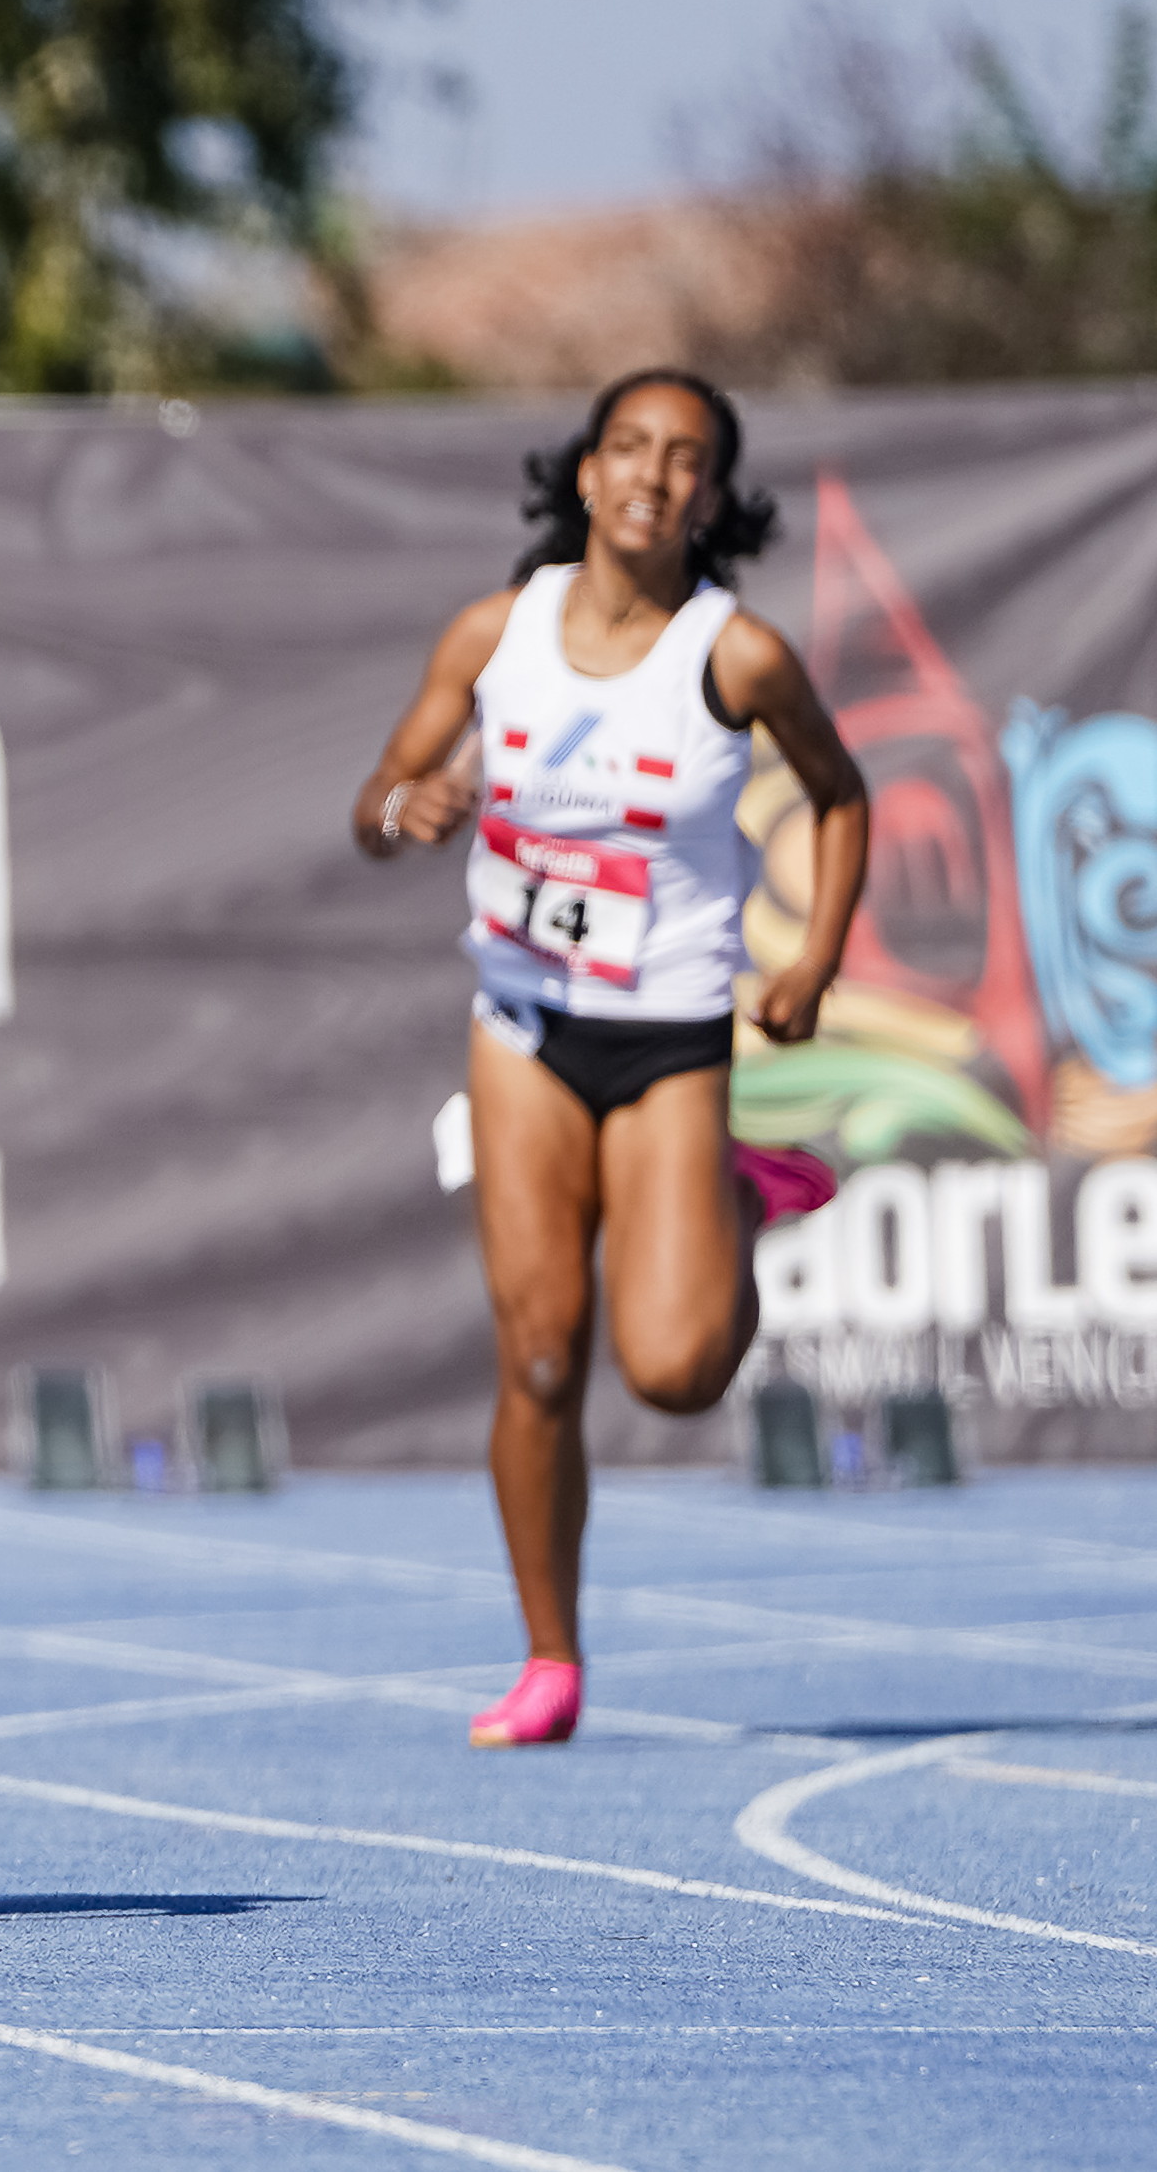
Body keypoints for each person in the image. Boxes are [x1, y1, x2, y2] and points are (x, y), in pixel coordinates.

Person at [355, 369, 865, 1748]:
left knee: (674, 1368)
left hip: (670, 1036)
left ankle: (738, 1195)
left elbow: (837, 792)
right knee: (535, 1359)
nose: (651, 473)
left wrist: (810, 958)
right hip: (521, 1025)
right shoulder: (492, 631)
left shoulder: (734, 653)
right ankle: (546, 1656)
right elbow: (374, 804)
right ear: (581, 474)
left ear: (709, 496)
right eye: (627, 446)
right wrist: (418, 803)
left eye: (684, 457)